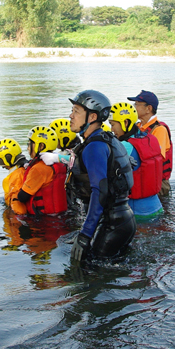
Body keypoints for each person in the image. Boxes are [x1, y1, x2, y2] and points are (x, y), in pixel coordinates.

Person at [67, 90, 136, 262]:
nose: (70, 115)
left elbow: (100, 192)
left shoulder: (94, 147)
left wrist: (85, 235)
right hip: (125, 219)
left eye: (76, 111)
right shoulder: (108, 139)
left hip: (112, 225)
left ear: (91, 117)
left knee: (89, 276)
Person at [109, 101, 164, 220]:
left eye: (113, 124)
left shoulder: (125, 146)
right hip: (157, 208)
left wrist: (60, 158)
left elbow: (97, 162)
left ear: (125, 123)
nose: (112, 129)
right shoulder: (150, 138)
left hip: (138, 213)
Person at [10, 126, 68, 215]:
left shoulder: (38, 169)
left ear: (41, 146)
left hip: (43, 220)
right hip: (60, 215)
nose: (28, 148)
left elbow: (22, 197)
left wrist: (14, 193)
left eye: (29, 144)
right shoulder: (59, 163)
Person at [128, 90, 173, 198]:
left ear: (148, 108)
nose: (134, 107)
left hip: (157, 184)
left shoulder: (159, 130)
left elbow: (156, 159)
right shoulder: (137, 127)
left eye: (137, 104)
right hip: (142, 180)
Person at [0, 138, 28, 208]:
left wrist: (10, 218)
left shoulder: (13, 178)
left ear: (8, 158)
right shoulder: (26, 168)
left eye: (2, 163)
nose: (2, 167)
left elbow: (18, 208)